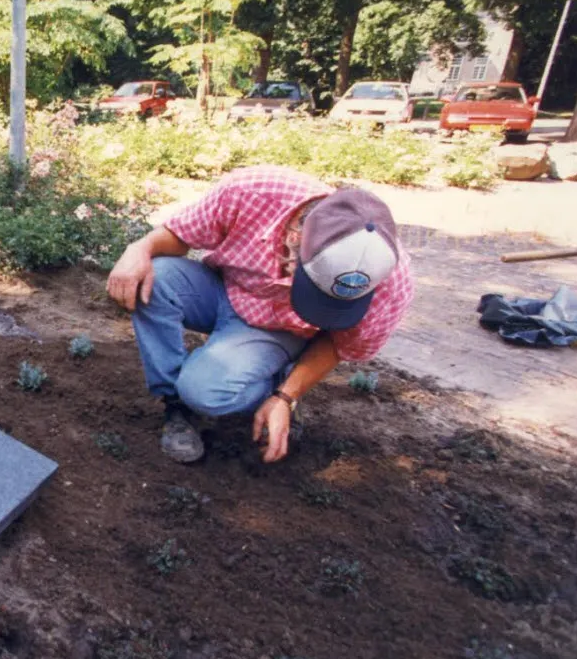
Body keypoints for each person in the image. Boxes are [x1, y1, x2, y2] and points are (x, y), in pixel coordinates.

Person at [106, 166, 414, 463]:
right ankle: (175, 407)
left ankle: (274, 381)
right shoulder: (254, 191)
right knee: (155, 278)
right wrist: (140, 248)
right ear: (295, 237)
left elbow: (340, 345)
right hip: (223, 288)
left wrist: (286, 397)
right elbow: (179, 234)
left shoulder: (391, 282)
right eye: (314, 291)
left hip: (280, 328)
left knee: (203, 391)